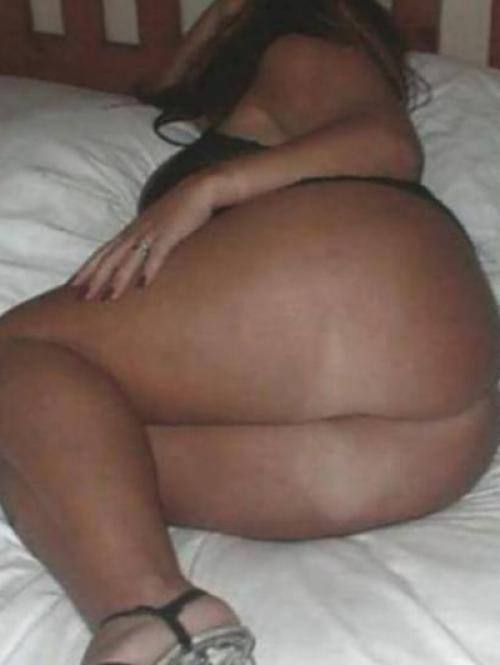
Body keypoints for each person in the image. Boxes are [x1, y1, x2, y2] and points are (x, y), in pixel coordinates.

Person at [0, 0, 498, 663]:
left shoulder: (301, 42)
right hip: (426, 448)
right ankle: (153, 631)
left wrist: (207, 188)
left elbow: (387, 144)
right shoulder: (257, 88)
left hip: (358, 290)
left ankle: (150, 608)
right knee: (59, 452)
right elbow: (161, 79)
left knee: (17, 352)